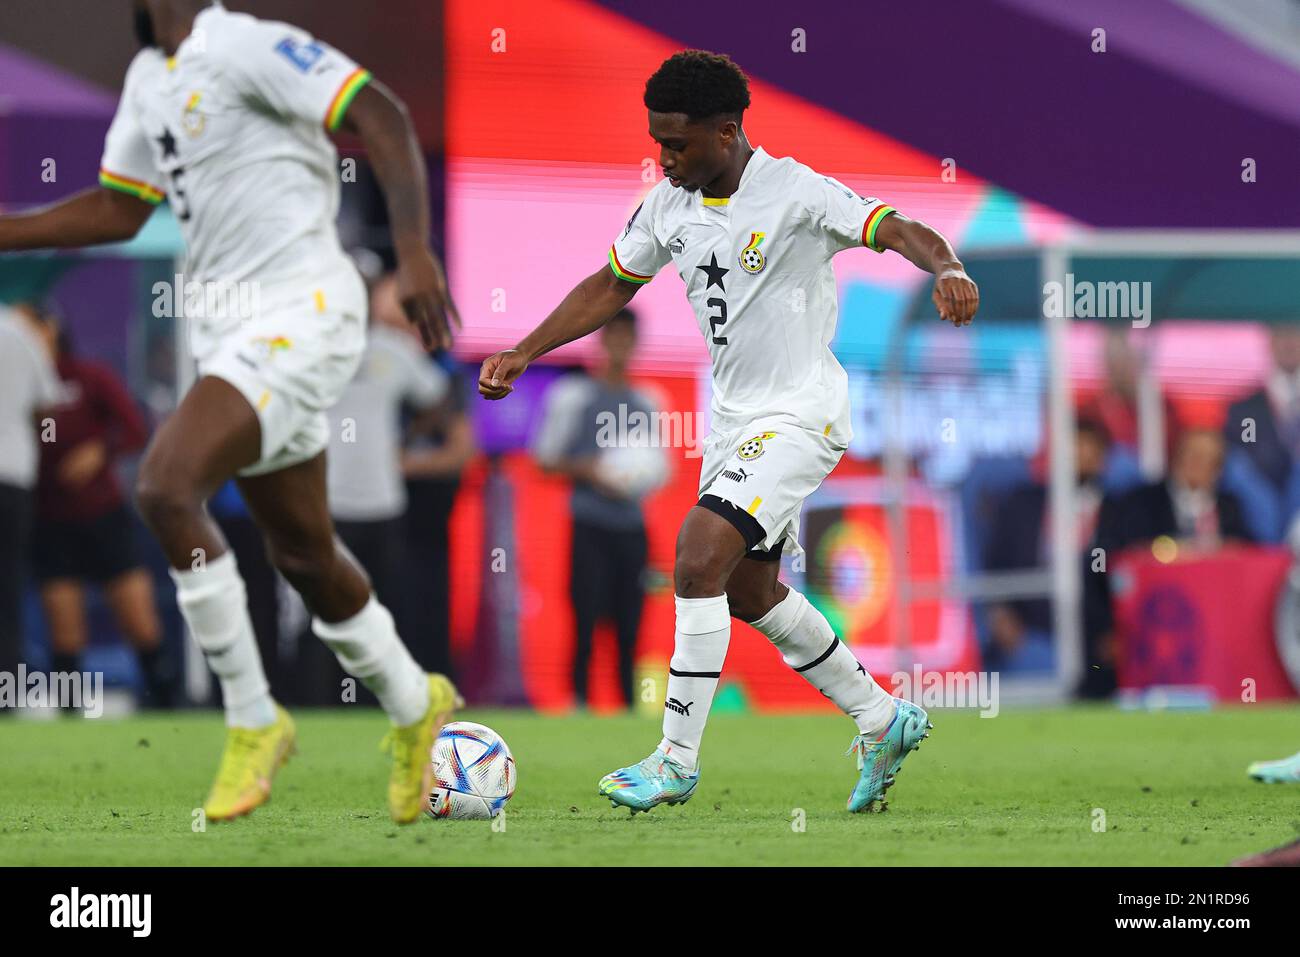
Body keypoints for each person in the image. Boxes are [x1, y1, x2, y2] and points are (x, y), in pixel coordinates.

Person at [479, 50, 978, 813]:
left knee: (696, 555)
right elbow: (613, 282)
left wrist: (946, 265)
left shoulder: (795, 191)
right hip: (736, 424)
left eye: (677, 144)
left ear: (727, 129)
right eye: (657, 142)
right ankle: (881, 717)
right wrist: (525, 349)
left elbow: (893, 226)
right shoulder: (666, 205)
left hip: (801, 414)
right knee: (749, 590)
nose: (665, 158)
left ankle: (675, 758)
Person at [0, 0, 460, 823]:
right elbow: (120, 207)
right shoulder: (149, 78)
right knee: (306, 555)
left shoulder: (244, 44)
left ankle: (251, 716)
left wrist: (415, 248)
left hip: (306, 308)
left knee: (165, 486)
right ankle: (413, 698)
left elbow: (379, 112)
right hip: (229, 333)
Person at [29, 306, 176, 707]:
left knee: (140, 620)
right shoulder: (16, 384)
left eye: (30, 325)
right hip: (49, 520)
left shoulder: (88, 377)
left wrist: (98, 451)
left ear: (52, 329)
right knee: (64, 628)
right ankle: (70, 718)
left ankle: (166, 707)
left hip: (103, 516)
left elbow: (133, 427)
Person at [316, 273, 453, 700]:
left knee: (389, 609)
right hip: (329, 503)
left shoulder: (394, 348)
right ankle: (325, 699)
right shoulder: (315, 349)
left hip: (384, 502)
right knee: (328, 610)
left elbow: (436, 396)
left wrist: (406, 441)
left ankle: (395, 698)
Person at [531, 308, 668, 708]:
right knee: (585, 619)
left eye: (628, 339)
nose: (620, 347)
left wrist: (638, 478)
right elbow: (544, 458)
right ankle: (580, 703)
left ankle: (627, 707)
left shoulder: (648, 401)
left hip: (632, 527)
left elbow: (661, 468)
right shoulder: (573, 396)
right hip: (589, 524)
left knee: (630, 625)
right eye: (614, 337)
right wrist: (589, 469)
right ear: (601, 339)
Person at [1083, 428, 1252, 697]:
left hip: (1214, 636)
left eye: (1209, 459)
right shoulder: (1138, 504)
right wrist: (1109, 628)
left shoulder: (1230, 507)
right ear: (1176, 457)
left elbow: (1250, 561)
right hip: (1151, 629)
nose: (1199, 465)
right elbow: (1102, 564)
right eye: (1193, 455)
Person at [984, 418, 1110, 673]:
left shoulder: (1116, 512)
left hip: (1094, 636)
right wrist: (1000, 614)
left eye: (1089, 451)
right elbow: (995, 562)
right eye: (1073, 449)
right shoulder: (1023, 503)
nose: (1080, 458)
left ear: (1101, 459)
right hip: (1030, 630)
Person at [0, 303, 64, 686]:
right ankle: (5, 685)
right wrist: (46, 447)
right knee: (8, 584)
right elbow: (48, 411)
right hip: (13, 478)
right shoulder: (23, 335)